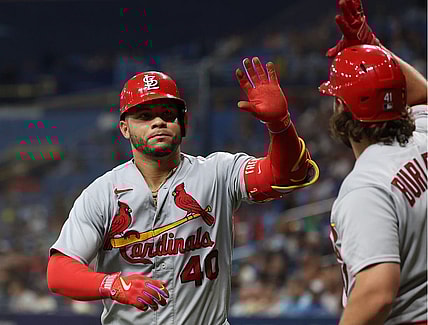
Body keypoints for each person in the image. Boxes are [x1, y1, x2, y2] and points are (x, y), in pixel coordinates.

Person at [47, 57, 319, 324]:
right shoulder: (102, 193)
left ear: (184, 123)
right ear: (124, 128)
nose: (158, 122)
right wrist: (114, 285)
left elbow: (285, 174)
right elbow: (59, 273)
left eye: (168, 114)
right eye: (144, 116)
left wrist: (280, 125)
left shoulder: (217, 173)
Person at [320, 0, 427, 324]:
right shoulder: (423, 132)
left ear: (342, 109)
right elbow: (421, 95)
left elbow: (377, 293)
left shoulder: (365, 186)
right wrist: (373, 48)